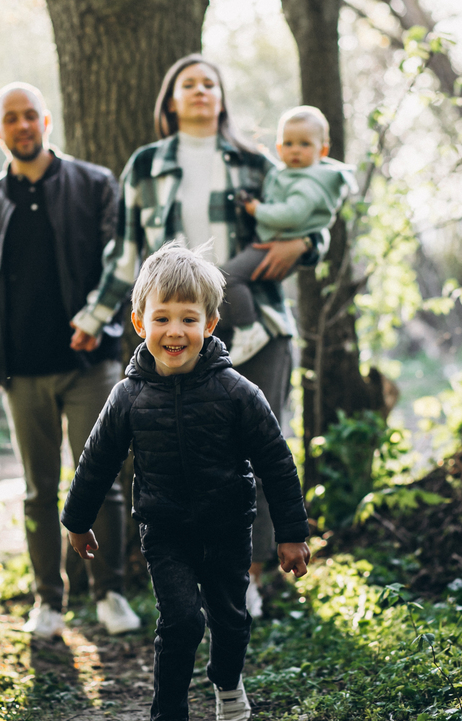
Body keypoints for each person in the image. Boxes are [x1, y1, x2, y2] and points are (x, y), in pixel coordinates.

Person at [70, 54, 313, 617]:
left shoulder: (256, 162)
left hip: (260, 325)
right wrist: (92, 317)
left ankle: (245, 576)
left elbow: (307, 215)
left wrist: (307, 246)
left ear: (222, 98)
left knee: (254, 449)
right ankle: (180, 574)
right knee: (174, 446)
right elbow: (125, 256)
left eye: (210, 83)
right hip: (175, 326)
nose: (201, 91)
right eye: (188, 84)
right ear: (171, 101)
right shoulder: (147, 165)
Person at [61, 242, 311, 721]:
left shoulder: (238, 392)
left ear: (210, 324)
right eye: (162, 319)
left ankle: (226, 681)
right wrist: (77, 519)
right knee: (180, 621)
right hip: (165, 529)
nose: (175, 331)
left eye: (188, 319)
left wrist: (292, 533)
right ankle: (168, 710)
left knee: (231, 621)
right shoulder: (127, 396)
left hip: (227, 527)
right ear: (140, 323)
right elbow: (97, 460)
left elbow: (276, 463)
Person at [0, 82, 140, 638]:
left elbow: (121, 262)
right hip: (19, 372)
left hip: (92, 365)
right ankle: (48, 603)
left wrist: (99, 323)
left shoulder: (94, 185)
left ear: (47, 121)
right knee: (38, 490)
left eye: (30, 115)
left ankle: (108, 594)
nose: (22, 125)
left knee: (102, 481)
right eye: (10, 118)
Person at [222, 105, 355, 366]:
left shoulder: (310, 182)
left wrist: (256, 209)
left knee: (227, 277)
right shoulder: (287, 174)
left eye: (304, 144)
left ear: (323, 150)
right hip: (273, 242)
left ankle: (249, 331)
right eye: (288, 143)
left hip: (282, 245)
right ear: (279, 148)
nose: (295, 150)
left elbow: (291, 215)